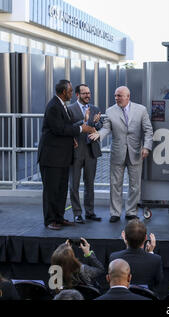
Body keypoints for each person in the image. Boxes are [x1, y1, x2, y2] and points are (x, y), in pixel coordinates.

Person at [90, 86, 153, 223]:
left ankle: (131, 212)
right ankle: (115, 213)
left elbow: (148, 130)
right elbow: (106, 128)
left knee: (135, 185)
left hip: (136, 152)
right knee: (115, 184)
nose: (116, 98)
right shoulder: (110, 111)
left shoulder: (141, 110)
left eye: (119, 96)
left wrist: (147, 147)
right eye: (115, 96)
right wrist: (98, 134)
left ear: (128, 97)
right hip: (117, 152)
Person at [38, 80, 95, 230]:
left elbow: (66, 127)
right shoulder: (53, 107)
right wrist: (81, 129)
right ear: (63, 92)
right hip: (51, 158)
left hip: (62, 157)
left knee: (61, 190)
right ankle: (50, 220)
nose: (71, 94)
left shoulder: (61, 105)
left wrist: (73, 138)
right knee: (51, 191)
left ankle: (59, 218)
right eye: (70, 91)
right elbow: (59, 129)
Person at [68, 84, 103, 224]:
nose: (88, 95)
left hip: (91, 150)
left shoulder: (95, 108)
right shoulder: (70, 109)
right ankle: (77, 213)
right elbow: (69, 128)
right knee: (74, 184)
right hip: (76, 151)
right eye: (84, 93)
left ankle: (90, 212)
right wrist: (85, 121)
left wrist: (96, 123)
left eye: (89, 93)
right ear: (77, 95)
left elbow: (100, 126)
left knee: (90, 183)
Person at [109, 220, 163, 293]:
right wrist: (150, 253)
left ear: (124, 237)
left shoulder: (114, 258)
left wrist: (128, 243)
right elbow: (158, 283)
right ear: (145, 238)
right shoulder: (156, 259)